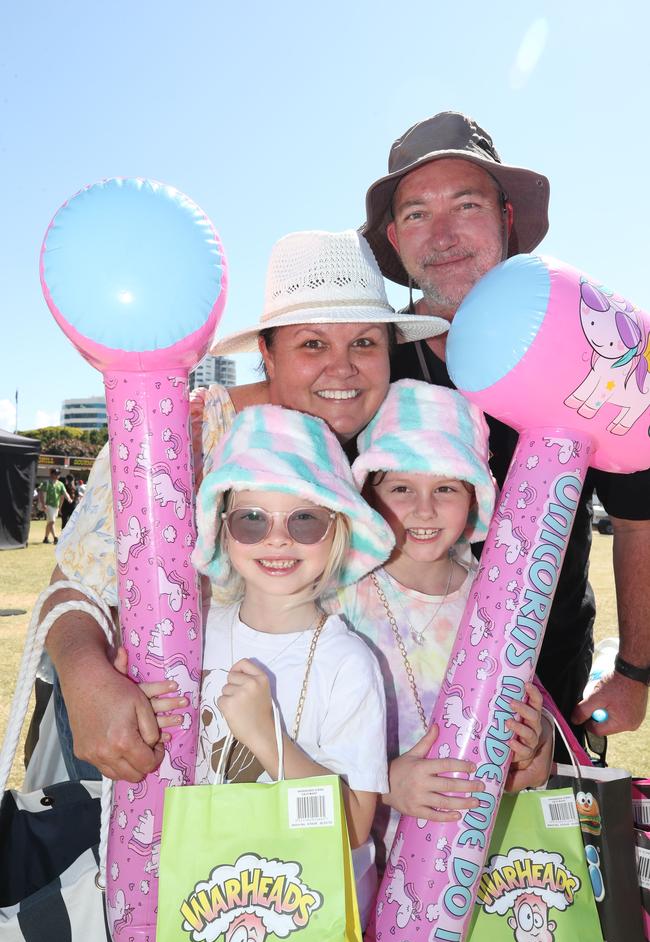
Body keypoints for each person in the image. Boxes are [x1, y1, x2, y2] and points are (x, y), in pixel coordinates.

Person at [38, 228, 445, 782]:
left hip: (302, 767)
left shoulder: (388, 452)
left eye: (365, 343)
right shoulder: (178, 433)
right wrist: (86, 679)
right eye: (312, 343)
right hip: (154, 753)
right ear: (266, 353)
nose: (343, 368)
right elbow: (75, 585)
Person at [361, 111, 650, 738]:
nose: (442, 236)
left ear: (506, 216)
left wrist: (634, 671)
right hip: (380, 683)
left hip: (544, 683)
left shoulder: (583, 337)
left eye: (465, 205)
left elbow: (637, 514)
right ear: (394, 235)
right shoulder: (368, 353)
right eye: (416, 214)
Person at [131, 403, 394, 926]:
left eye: (304, 520)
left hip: (303, 918)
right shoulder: (192, 635)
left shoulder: (348, 665)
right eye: (252, 520)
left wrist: (267, 737)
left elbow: (356, 825)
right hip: (201, 902)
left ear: (337, 531)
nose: (277, 539)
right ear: (223, 531)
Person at [332, 381, 552, 872]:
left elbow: (527, 735)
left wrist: (535, 748)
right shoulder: (337, 596)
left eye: (446, 488)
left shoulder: (499, 602)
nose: (424, 509)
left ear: (474, 498)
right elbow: (298, 744)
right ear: (368, 493)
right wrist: (386, 782)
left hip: (471, 869)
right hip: (359, 863)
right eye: (402, 488)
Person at [38, 466, 70, 543]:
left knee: (50, 522)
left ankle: (46, 538)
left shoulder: (60, 484)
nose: (57, 475)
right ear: (51, 474)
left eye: (58, 474)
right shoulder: (46, 483)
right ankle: (55, 537)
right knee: (52, 521)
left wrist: (69, 498)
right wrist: (43, 504)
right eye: (55, 473)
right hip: (48, 505)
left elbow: (64, 493)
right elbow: (41, 493)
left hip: (56, 506)